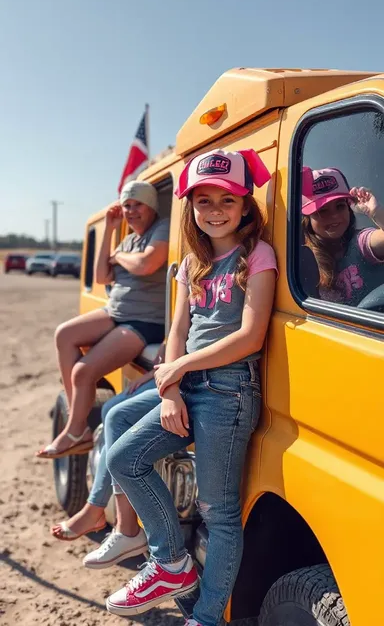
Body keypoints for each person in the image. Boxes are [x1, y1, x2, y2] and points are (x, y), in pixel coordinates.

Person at [105, 148, 277, 625]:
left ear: (246, 205)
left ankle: (204, 617)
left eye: (227, 200)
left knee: (217, 511)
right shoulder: (190, 263)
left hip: (230, 391)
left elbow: (250, 336)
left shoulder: (256, 254)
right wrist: (171, 390)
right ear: (190, 208)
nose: (216, 211)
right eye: (204, 201)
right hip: (188, 385)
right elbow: (177, 332)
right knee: (123, 457)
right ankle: (173, 563)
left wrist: (178, 371)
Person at [36, 180, 169, 459]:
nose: (131, 211)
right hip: (117, 312)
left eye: (137, 205)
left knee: (82, 372)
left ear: (152, 206)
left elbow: (147, 264)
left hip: (145, 320)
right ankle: (77, 422)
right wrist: (109, 228)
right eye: (126, 206)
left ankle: (75, 432)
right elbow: (101, 276)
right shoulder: (129, 240)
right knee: (64, 334)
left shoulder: (162, 228)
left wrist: (119, 256)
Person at [50, 345, 164, 569]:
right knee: (111, 407)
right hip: (174, 362)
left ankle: (110, 517)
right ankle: (103, 513)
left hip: (192, 371)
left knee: (116, 415)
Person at [302, 167, 384, 306]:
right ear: (308, 219)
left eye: (340, 206)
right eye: (322, 211)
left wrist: (376, 212)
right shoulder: (305, 260)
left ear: (349, 209)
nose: (334, 215)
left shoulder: (361, 242)